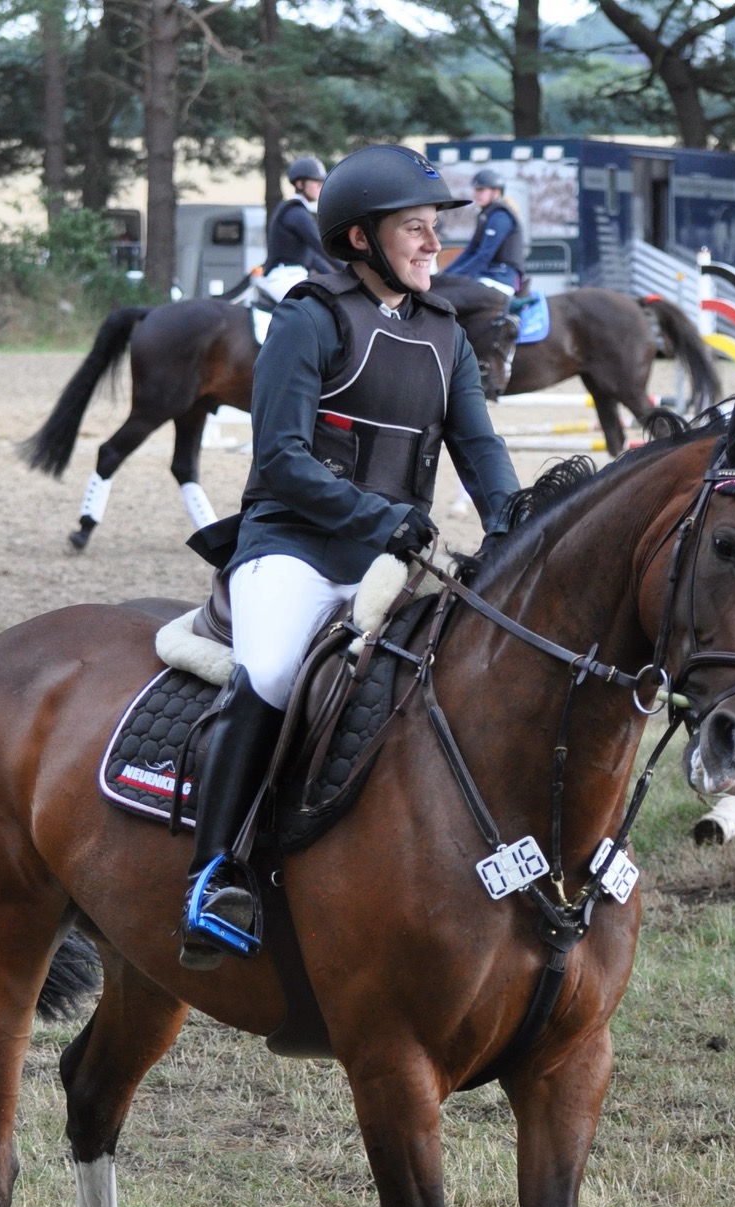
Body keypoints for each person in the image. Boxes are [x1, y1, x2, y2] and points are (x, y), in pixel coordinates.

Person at [178, 144, 522, 968]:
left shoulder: (444, 332)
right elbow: (283, 459)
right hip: (294, 547)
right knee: (272, 672)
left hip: (393, 557)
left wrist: (518, 526)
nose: (434, 243)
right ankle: (213, 876)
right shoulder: (311, 318)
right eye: (415, 229)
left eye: (436, 227)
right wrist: (379, 516)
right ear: (361, 238)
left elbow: (479, 448)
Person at [437, 166, 526, 294]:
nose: (476, 194)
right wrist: (445, 275)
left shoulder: (500, 217)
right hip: (488, 275)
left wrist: (455, 277)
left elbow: (484, 255)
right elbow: (470, 251)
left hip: (502, 277)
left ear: (495, 192)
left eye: (481, 190)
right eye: (476, 190)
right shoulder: (486, 216)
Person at [263, 156, 338, 287]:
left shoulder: (299, 211)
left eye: (321, 182)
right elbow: (322, 246)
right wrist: (353, 270)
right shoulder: (296, 213)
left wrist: (341, 275)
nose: (320, 186)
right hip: (285, 276)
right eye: (316, 181)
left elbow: (314, 258)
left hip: (295, 275)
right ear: (300, 184)